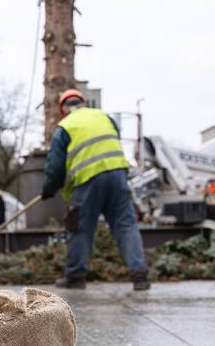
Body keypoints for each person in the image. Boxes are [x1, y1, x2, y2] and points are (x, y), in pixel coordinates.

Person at [41, 89, 150, 291]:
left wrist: (49, 188)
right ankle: (140, 276)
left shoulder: (65, 126)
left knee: (80, 227)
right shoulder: (104, 117)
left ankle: (76, 277)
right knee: (126, 225)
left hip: (88, 180)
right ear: (83, 103)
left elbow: (55, 166)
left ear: (64, 109)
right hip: (118, 176)